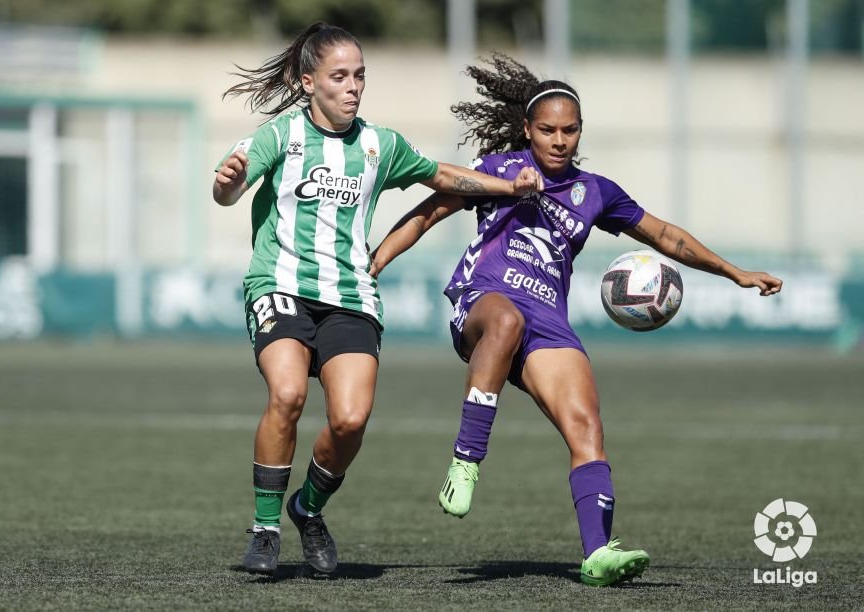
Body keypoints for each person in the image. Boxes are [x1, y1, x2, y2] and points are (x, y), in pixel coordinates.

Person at [369, 53, 783, 587]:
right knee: (506, 323)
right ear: (527, 129)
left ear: (580, 131)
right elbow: (427, 212)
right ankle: (466, 459)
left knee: (586, 426)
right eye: (547, 130)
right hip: (484, 298)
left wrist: (734, 272)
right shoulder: (499, 168)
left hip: (549, 320)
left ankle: (598, 552)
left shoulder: (597, 194)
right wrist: (376, 262)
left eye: (569, 130)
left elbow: (666, 236)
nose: (558, 140)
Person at [213, 27, 542, 576]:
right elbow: (228, 188)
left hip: (350, 295)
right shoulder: (279, 135)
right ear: (307, 81)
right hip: (279, 284)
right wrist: (227, 183)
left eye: (359, 75)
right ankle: (265, 528)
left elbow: (439, 174)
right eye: (339, 77)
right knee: (289, 393)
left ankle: (308, 509)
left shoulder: (379, 145)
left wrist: (509, 187)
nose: (353, 87)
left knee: (350, 420)